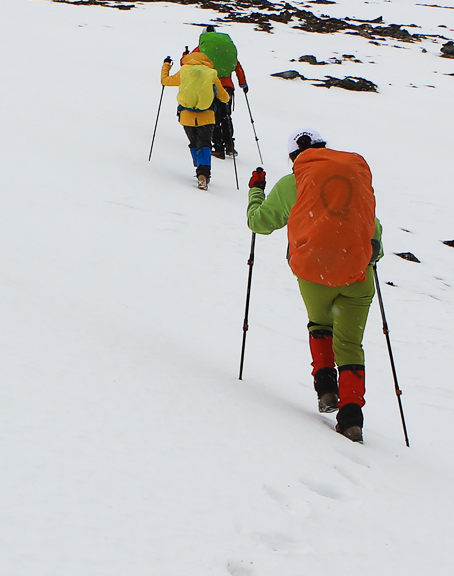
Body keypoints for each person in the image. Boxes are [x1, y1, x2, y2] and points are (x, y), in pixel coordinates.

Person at [246, 130, 382, 439]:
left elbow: (259, 222)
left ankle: (325, 390)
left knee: (320, 324)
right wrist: (372, 254)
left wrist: (256, 191)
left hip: (314, 273)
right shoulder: (351, 177)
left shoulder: (293, 183)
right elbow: (373, 227)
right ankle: (351, 418)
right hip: (357, 275)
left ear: (295, 156)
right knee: (350, 344)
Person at [158, 44, 228, 189]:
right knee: (205, 144)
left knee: (194, 144)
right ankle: (203, 172)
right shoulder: (211, 73)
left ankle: (200, 166)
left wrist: (166, 65)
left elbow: (165, 81)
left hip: (186, 115)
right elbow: (225, 98)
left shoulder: (184, 71)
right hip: (207, 116)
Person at [194, 23, 246, 159]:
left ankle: (218, 147)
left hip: (212, 87)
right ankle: (230, 145)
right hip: (228, 88)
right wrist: (243, 84)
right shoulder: (225, 51)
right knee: (226, 115)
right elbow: (237, 66)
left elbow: (186, 62)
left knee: (214, 117)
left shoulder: (202, 49)